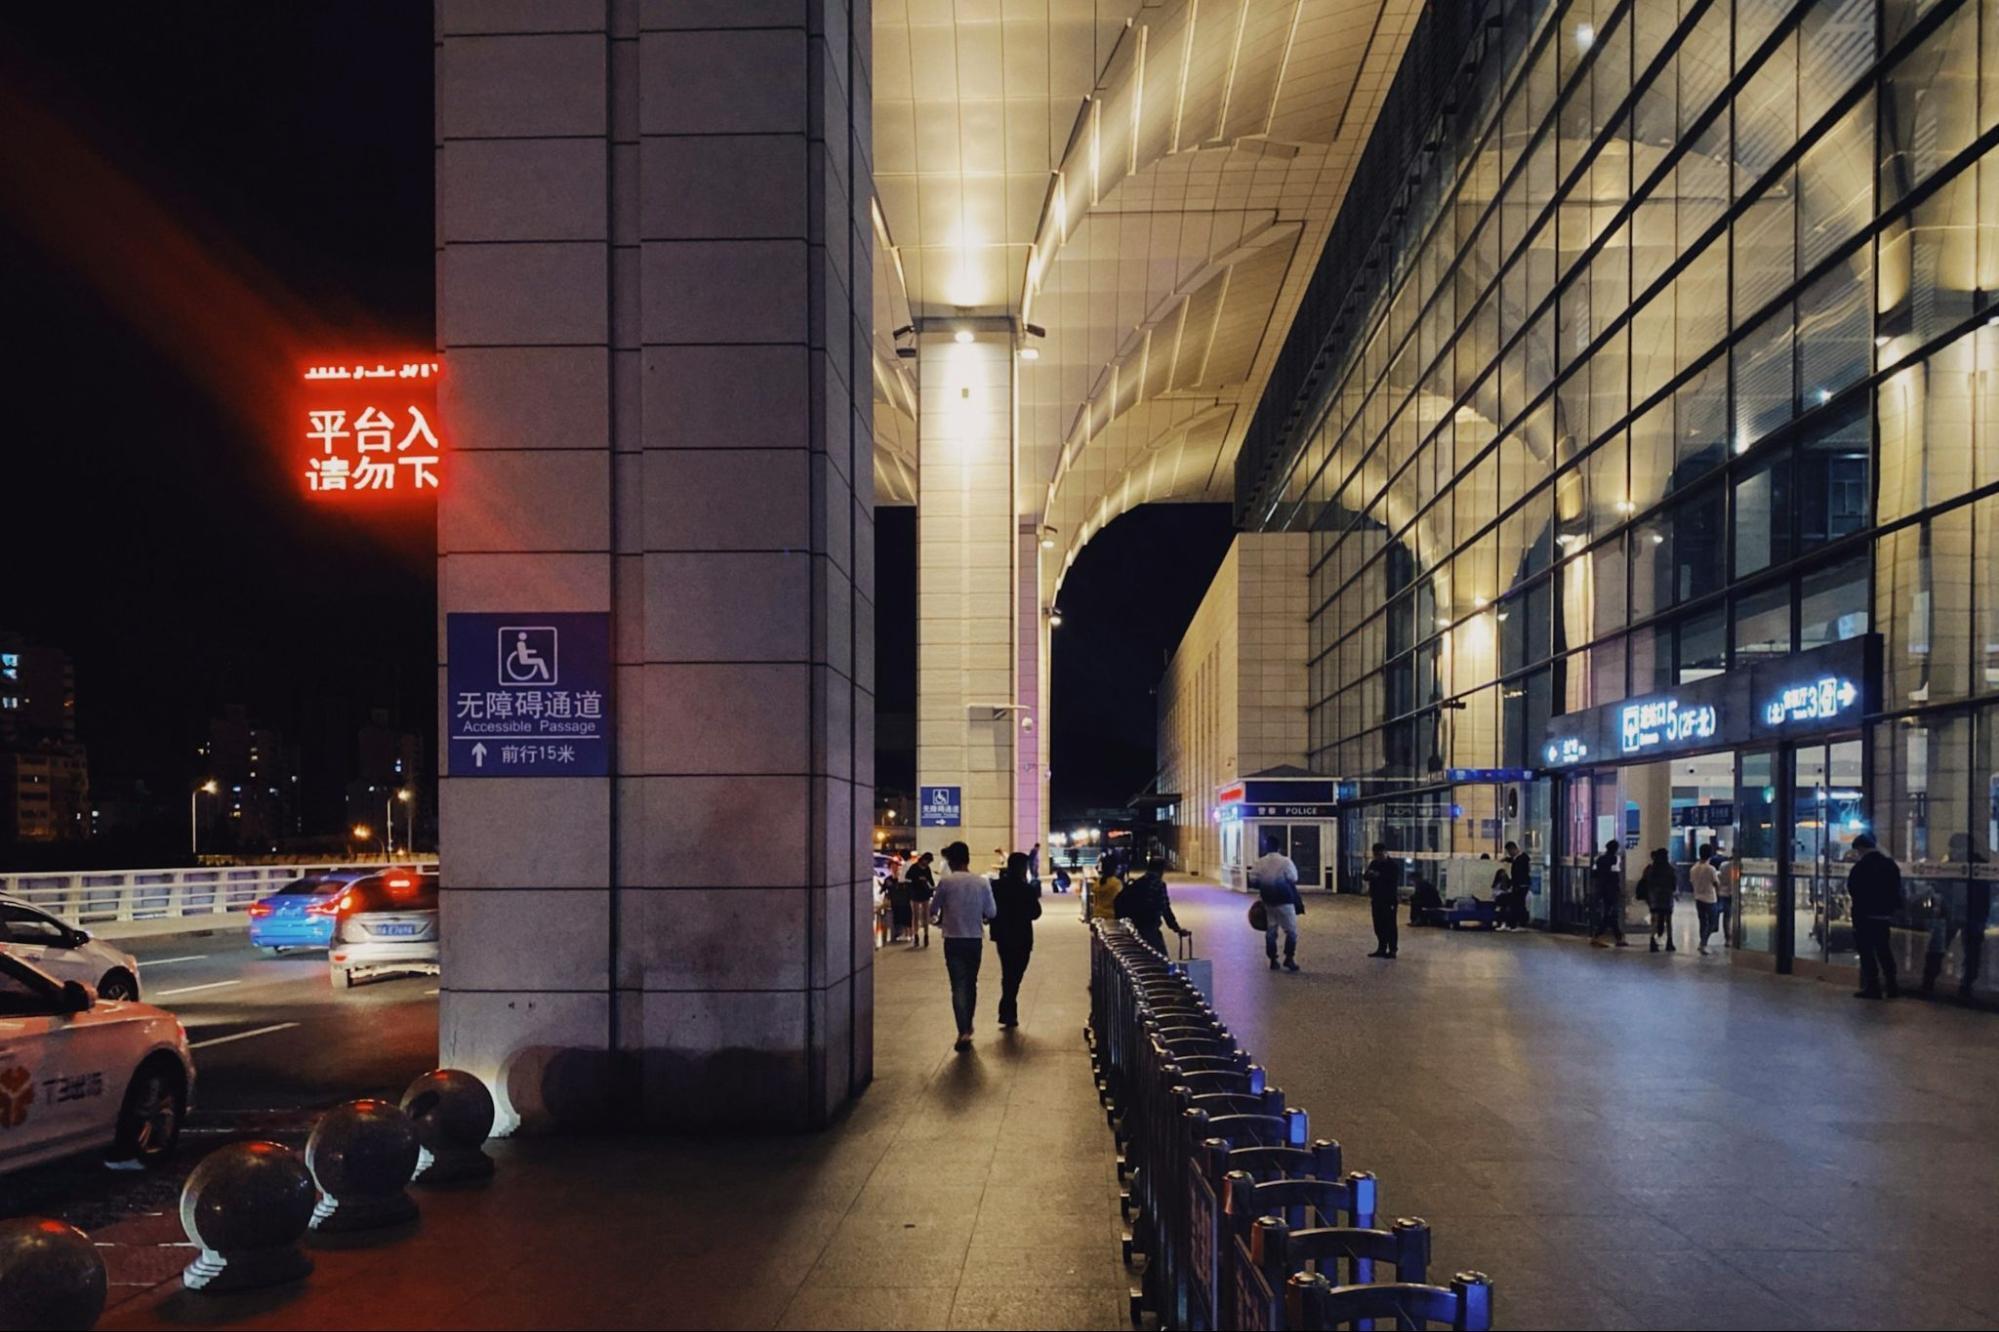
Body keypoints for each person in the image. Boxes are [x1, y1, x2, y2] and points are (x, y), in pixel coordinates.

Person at [930, 841, 998, 1051]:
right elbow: (992, 912)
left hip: (953, 939)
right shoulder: (982, 882)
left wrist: (941, 918)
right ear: (967, 859)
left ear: (951, 861)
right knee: (971, 983)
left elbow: (933, 909)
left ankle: (963, 1030)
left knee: (958, 985)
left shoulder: (946, 883)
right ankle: (968, 1024)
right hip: (974, 939)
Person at [1847, 832, 1903, 1000]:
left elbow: (1853, 889)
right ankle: (1892, 986)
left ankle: (1873, 986)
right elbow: (1896, 889)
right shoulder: (1890, 864)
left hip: (1864, 915)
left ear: (1861, 848)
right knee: (1883, 950)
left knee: (1867, 952)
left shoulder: (1860, 867)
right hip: (1883, 915)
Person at [989, 851, 1042, 1029]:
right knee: (1016, 973)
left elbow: (990, 910)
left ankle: (1007, 1009)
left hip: (1002, 935)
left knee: (1008, 971)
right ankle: (1008, 1009)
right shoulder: (1026, 889)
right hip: (1022, 936)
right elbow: (1036, 913)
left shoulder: (996, 886)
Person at [1114, 854, 1187, 955]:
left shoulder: (1138, 883)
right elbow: (1165, 909)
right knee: (1160, 958)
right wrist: (1176, 928)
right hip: (1149, 927)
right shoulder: (1158, 885)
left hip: (1135, 925)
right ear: (1161, 870)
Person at [1252, 846, 1304, 971]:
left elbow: (1253, 879)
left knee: (1271, 931)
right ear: (1279, 848)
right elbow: (1293, 878)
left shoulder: (1260, 862)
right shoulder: (1285, 861)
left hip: (1268, 901)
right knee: (1291, 931)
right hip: (1285, 900)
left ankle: (1273, 959)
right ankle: (1289, 958)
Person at [1362, 843, 1400, 959]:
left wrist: (1378, 876)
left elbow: (1391, 880)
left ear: (1384, 852)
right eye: (1375, 855)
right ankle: (1381, 947)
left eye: (1379, 854)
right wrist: (1372, 875)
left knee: (1390, 924)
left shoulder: (1392, 865)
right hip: (1376, 898)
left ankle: (1392, 949)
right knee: (1378, 924)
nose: (1377, 857)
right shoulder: (1374, 863)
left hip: (1389, 900)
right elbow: (1366, 877)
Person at [1589, 839, 1629, 948]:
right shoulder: (1614, 859)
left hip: (1601, 890)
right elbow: (1616, 876)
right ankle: (1597, 936)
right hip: (1611, 891)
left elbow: (1594, 874)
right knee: (1610, 914)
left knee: (1610, 914)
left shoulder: (1599, 859)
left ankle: (1618, 938)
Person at [1641, 847, 1678, 953]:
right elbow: (1674, 884)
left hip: (1655, 897)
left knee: (1654, 919)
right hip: (1667, 897)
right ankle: (1669, 942)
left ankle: (1652, 941)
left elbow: (1648, 882)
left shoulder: (1652, 869)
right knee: (1668, 920)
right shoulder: (1670, 869)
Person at [1690, 842, 1720, 955]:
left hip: (1698, 898)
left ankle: (1702, 943)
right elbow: (1716, 883)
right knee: (1713, 923)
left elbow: (1692, 882)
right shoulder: (1711, 869)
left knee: (1703, 922)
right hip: (1710, 899)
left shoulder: (1693, 868)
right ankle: (1703, 943)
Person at [904, 852, 935, 947]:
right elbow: (907, 879)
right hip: (915, 893)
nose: (927, 863)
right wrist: (917, 880)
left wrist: (930, 886)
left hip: (924, 893)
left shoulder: (927, 869)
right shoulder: (914, 868)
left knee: (926, 915)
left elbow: (930, 880)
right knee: (915, 915)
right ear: (923, 859)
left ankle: (926, 935)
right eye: (927, 861)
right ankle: (916, 935)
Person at [1499, 840, 1532, 931]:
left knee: (1519, 905)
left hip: (1521, 885)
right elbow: (1513, 860)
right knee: (1516, 904)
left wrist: (1515, 884)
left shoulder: (1523, 858)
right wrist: (1506, 859)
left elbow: (1521, 872)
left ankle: (1520, 924)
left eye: (1509, 851)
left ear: (1513, 849)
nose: (1509, 854)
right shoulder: (1517, 858)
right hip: (1518, 885)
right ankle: (1514, 924)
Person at [1090, 860, 1123, 925]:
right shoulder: (1116, 883)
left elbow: (1094, 891)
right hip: (1111, 915)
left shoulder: (1098, 882)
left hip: (1098, 914)